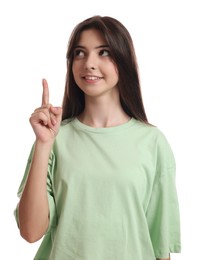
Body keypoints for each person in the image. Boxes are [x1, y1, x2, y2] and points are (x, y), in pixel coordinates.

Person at [14, 15, 181, 260]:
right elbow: (30, 232)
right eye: (80, 53)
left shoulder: (153, 142)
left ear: (123, 61)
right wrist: (43, 143)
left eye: (103, 52)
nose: (89, 63)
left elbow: (160, 244)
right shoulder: (53, 138)